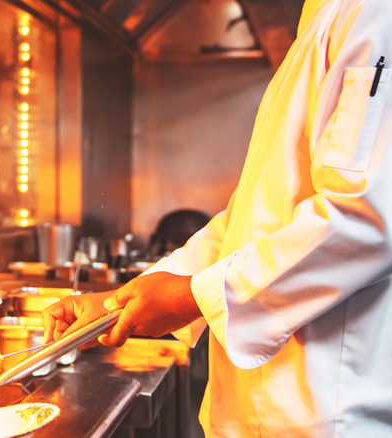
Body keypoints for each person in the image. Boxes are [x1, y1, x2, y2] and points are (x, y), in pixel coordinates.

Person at [41, 0, 392, 435]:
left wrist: (189, 297)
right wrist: (119, 304)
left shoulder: (374, 15)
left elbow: (366, 220)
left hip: (323, 415)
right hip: (256, 414)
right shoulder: (320, 19)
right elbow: (252, 217)